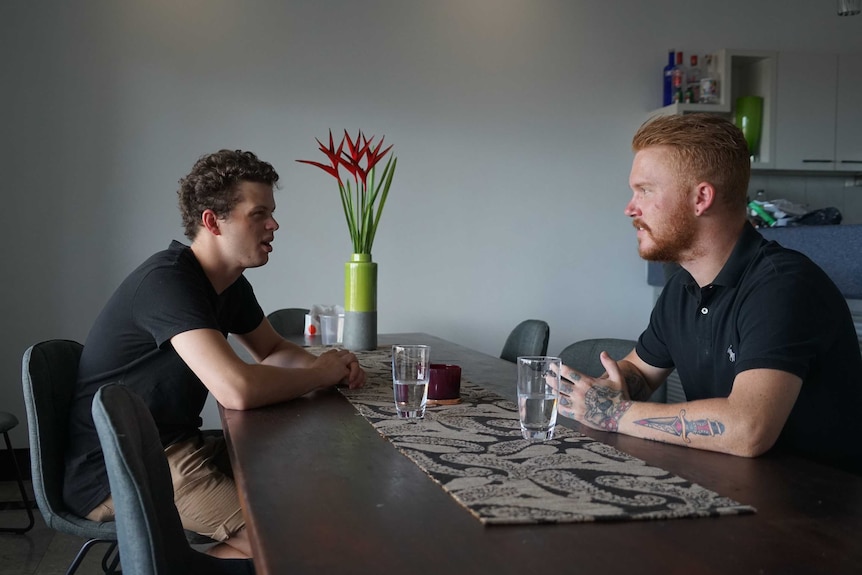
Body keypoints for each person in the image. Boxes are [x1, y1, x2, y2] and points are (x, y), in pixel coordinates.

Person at [64, 149, 366, 559]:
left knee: (313, 497)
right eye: (258, 214)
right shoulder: (167, 282)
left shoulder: (229, 284)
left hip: (178, 446)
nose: (274, 225)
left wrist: (327, 365)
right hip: (120, 468)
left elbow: (272, 348)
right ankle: (167, 567)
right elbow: (236, 390)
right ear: (212, 221)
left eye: (271, 212)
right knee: (290, 543)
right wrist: (319, 374)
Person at [556, 114, 862, 474]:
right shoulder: (683, 288)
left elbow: (748, 429)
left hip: (816, 514)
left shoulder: (783, 286)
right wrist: (602, 390)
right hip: (730, 491)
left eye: (645, 190)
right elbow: (637, 371)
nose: (630, 208)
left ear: (701, 198)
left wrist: (614, 413)